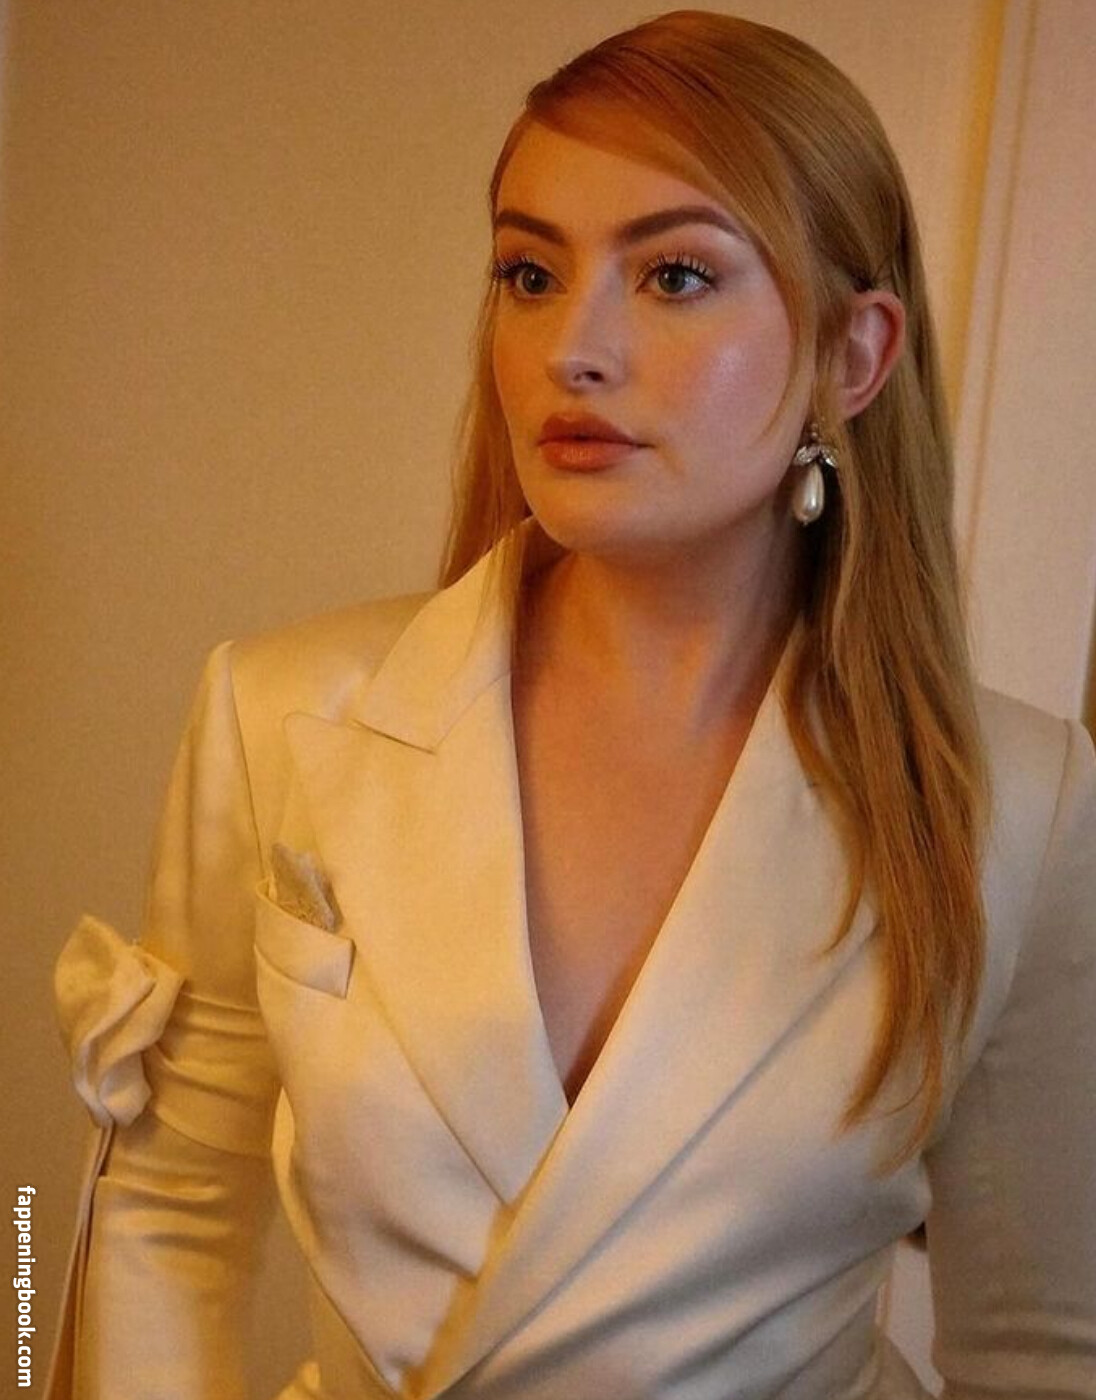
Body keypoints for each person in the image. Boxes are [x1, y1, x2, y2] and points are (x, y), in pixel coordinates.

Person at [48, 10, 1095, 1399]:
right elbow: (164, 1212)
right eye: (530, 274)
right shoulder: (285, 713)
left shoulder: (1016, 805)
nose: (572, 349)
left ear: (854, 356)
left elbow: (1042, 1355)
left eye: (675, 274)